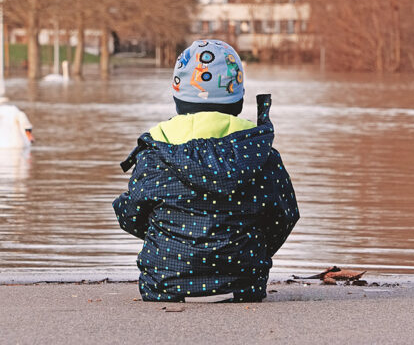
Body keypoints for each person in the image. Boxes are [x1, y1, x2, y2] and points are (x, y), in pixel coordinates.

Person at [113, 39, 299, 302]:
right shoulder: (260, 155)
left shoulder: (155, 154)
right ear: (239, 101)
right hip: (243, 285)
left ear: (177, 98)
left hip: (165, 286)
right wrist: (254, 247)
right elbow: (285, 216)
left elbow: (132, 215)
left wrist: (169, 233)